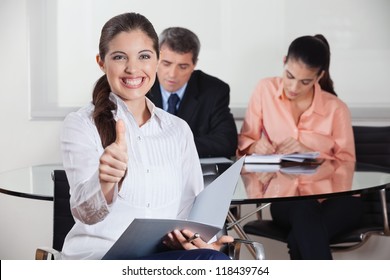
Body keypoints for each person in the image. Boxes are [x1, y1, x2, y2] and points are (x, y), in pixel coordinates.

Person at [60, 12, 232, 260]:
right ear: (101, 62)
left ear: (157, 61)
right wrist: (105, 181)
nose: (133, 68)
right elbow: (85, 213)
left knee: (213, 261)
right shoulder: (81, 125)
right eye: (119, 57)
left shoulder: (178, 130)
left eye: (144, 56)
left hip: (159, 257)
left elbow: (190, 210)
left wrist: (200, 243)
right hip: (99, 259)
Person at [237, 34, 361, 259]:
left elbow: (347, 162)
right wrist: (256, 146)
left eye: (305, 81)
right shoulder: (265, 90)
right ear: (284, 61)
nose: (293, 87)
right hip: (288, 201)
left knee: (300, 238)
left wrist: (310, 152)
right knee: (305, 215)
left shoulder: (336, 108)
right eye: (290, 76)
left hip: (338, 200)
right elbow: (245, 143)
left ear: (319, 76)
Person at [146, 27, 237, 158]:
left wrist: (171, 145)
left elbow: (226, 143)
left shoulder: (214, 90)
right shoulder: (139, 86)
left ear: (194, 65)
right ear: (156, 59)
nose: (172, 74)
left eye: (183, 67)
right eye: (166, 63)